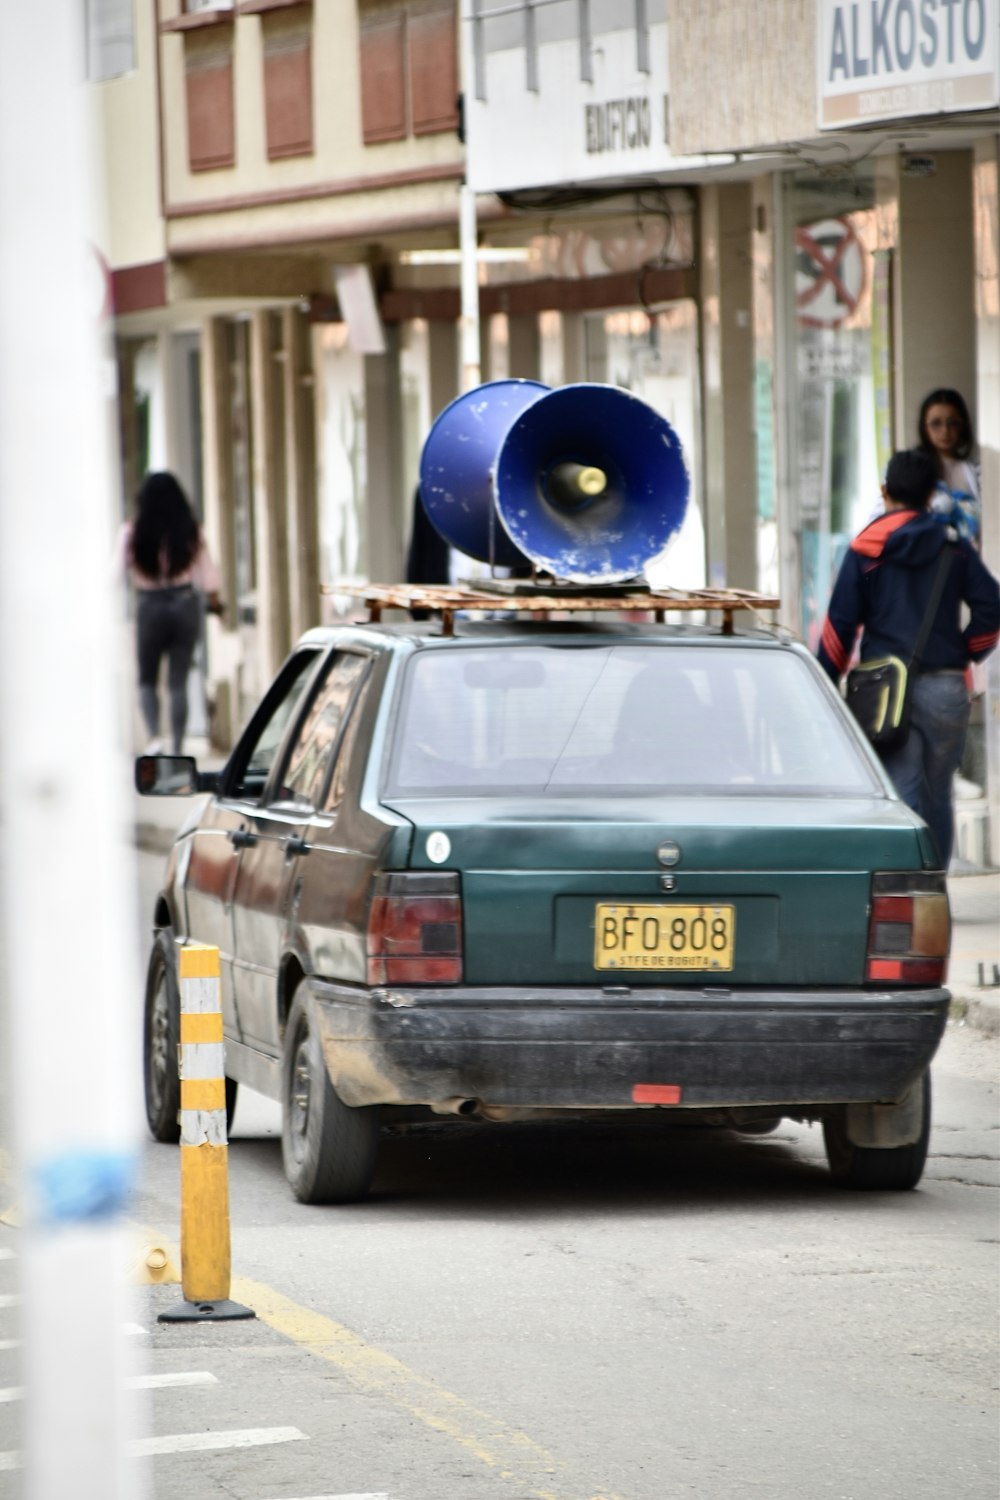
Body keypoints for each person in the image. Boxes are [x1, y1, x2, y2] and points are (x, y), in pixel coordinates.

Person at [817, 448, 999, 868]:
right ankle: (934, 888)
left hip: (883, 692)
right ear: (930, 494)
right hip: (945, 688)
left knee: (903, 788)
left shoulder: (865, 550)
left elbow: (837, 631)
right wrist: (965, 651)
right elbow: (991, 608)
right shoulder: (954, 547)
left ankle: (911, 893)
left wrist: (823, 686)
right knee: (938, 792)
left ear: (885, 492)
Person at [116, 471, 223, 755]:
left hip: (149, 605)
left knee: (147, 679)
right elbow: (209, 579)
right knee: (178, 682)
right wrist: (216, 604)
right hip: (185, 604)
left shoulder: (132, 533)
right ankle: (177, 747)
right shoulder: (191, 532)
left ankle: (154, 739)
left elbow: (114, 575)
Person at [916, 387, 981, 545]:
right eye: (936, 424)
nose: (945, 431)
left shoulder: (974, 470)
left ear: (963, 426)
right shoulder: (911, 467)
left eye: (953, 424)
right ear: (925, 428)